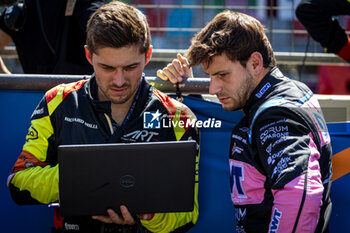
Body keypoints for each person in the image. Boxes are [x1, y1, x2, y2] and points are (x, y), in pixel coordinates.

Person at [7, 1, 199, 233]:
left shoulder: (178, 116)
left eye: (130, 67)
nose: (119, 80)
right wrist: (86, 177)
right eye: (107, 68)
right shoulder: (57, 101)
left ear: (147, 55)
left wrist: (148, 215)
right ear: (89, 55)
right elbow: (18, 183)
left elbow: (188, 216)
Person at [158, 11, 332, 232]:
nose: (213, 88)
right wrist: (192, 98)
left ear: (255, 63)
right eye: (210, 76)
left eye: (223, 75)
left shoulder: (275, 116)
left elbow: (300, 193)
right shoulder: (294, 90)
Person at [0, 0, 106, 74]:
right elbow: (107, 33)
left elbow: (104, 31)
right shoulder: (21, 7)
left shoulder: (19, 7)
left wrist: (10, 82)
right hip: (76, 98)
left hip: (36, 97)